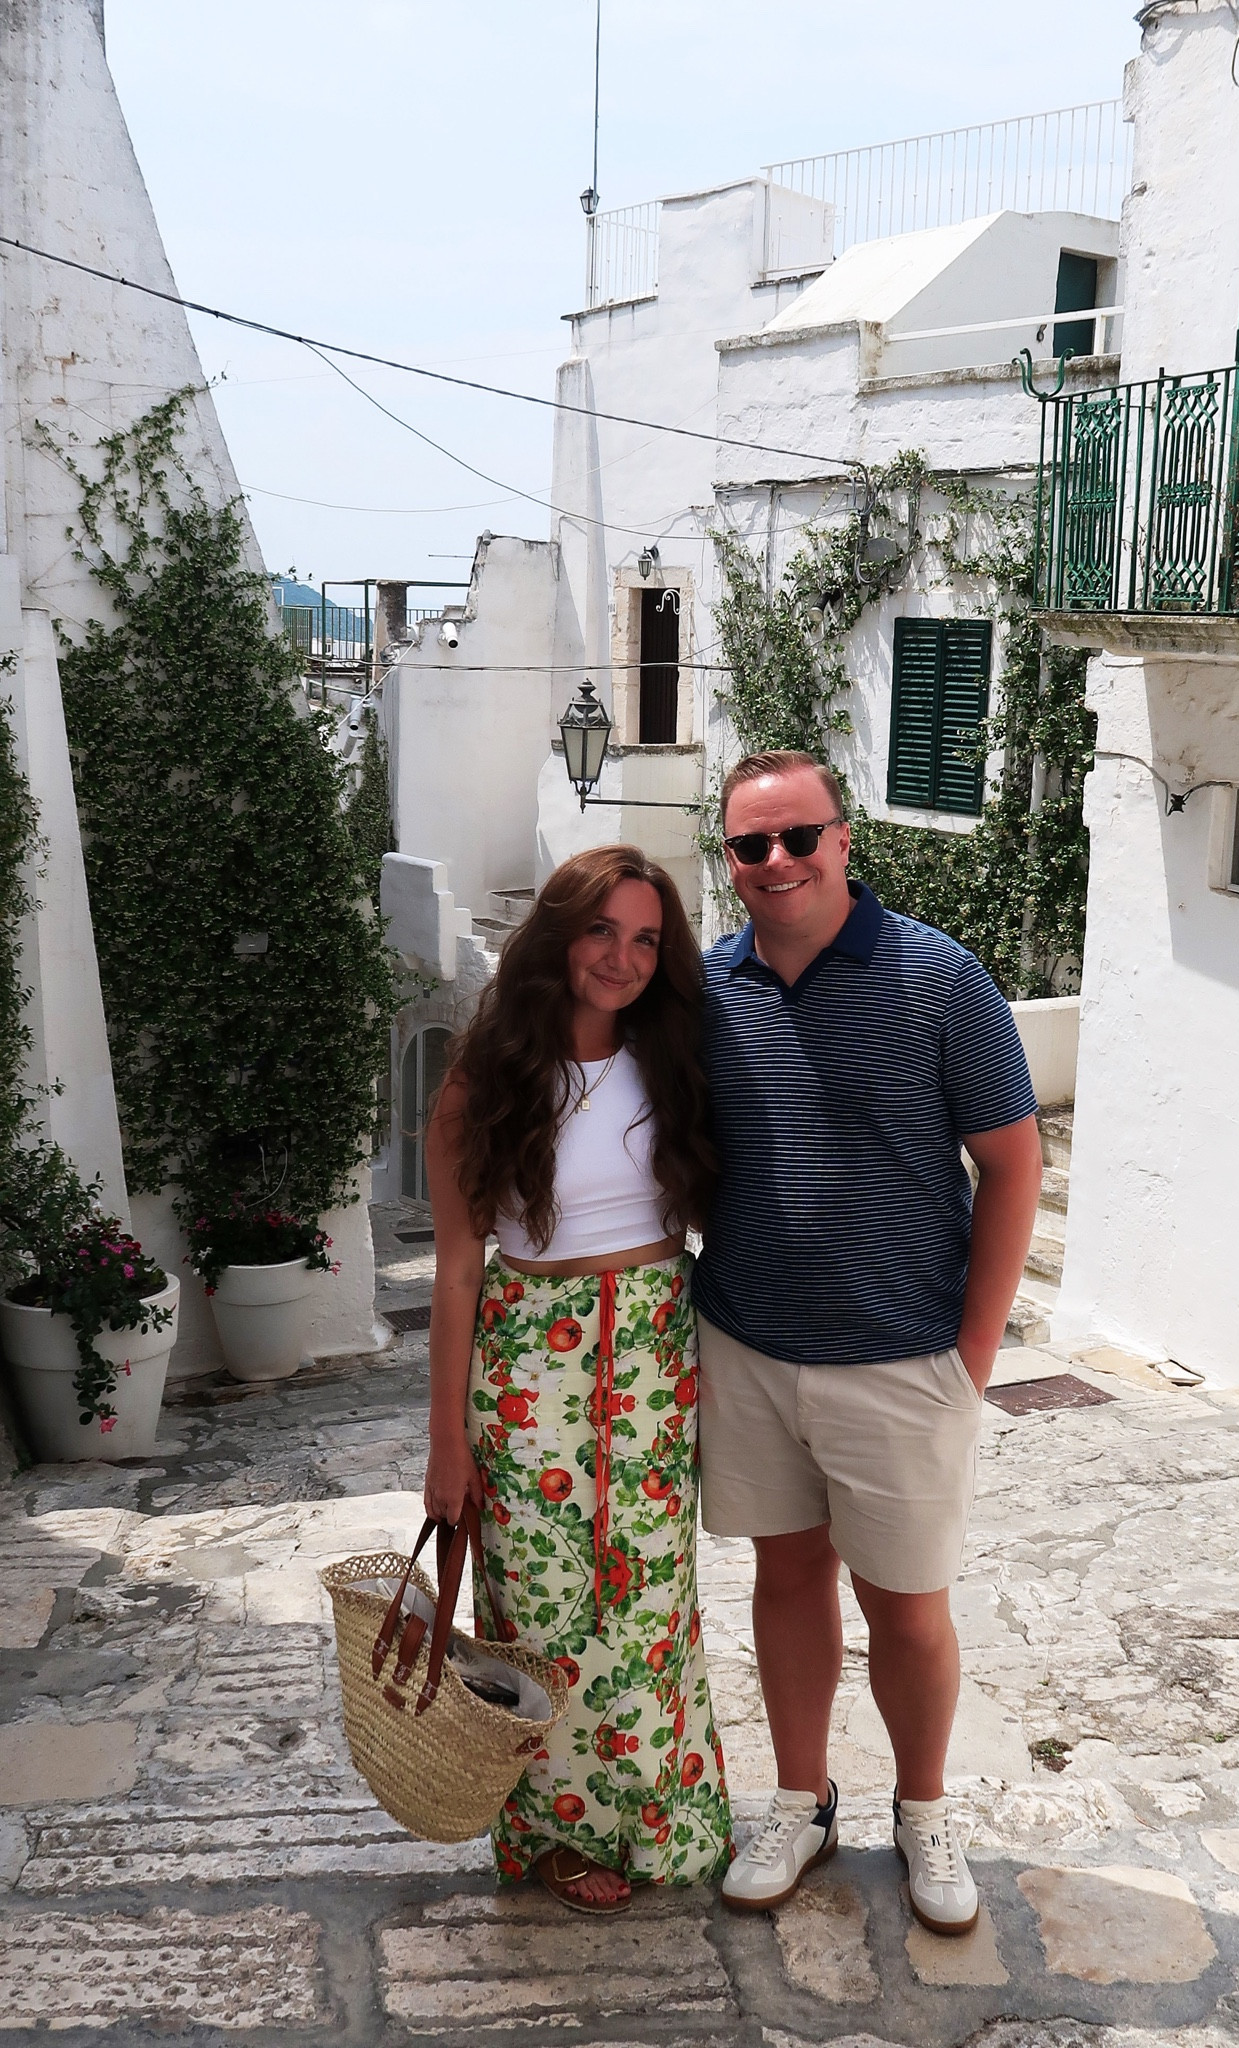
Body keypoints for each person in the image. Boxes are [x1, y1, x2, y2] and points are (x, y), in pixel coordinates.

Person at [693, 749, 1042, 1934]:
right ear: (729, 859)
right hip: (747, 1343)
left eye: (799, 837)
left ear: (845, 840)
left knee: (908, 1605)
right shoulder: (707, 990)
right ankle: (800, 1797)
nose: (777, 861)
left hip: (902, 1357)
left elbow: (1011, 1164)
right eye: (752, 845)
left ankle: (925, 1808)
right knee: (784, 1576)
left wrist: (972, 1357)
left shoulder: (938, 978)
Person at [423, 845, 732, 1916]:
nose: (623, 956)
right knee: (543, 1612)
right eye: (602, 930)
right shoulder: (483, 1083)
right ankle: (550, 1832)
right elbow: (458, 1270)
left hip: (652, 1348)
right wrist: (445, 1445)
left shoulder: (676, 1055)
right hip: (528, 1362)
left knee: (649, 1605)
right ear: (557, 934)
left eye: (647, 937)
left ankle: (659, 1814)